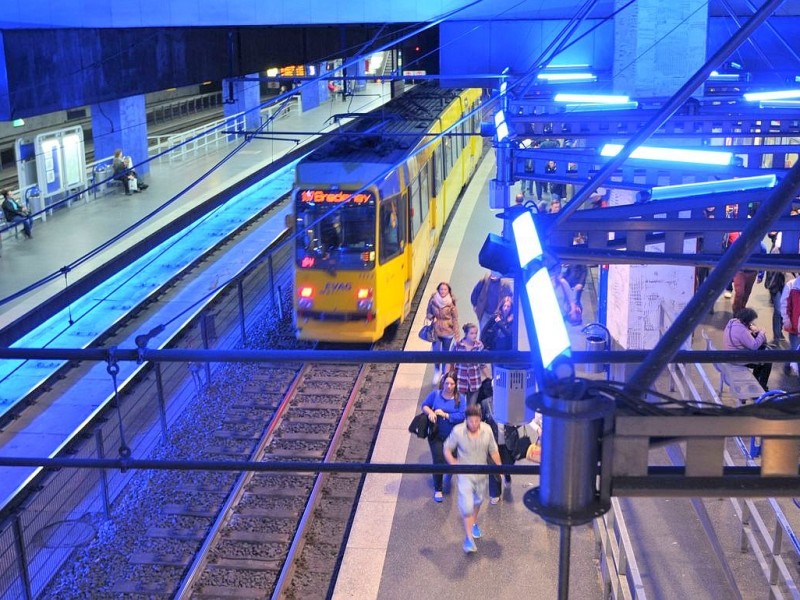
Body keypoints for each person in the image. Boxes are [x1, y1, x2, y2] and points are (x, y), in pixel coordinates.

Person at [443, 404, 501, 554]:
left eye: (476, 421)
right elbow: (447, 448)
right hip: (465, 475)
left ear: (480, 419)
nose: (474, 424)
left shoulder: (487, 430)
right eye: (471, 421)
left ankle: (473, 523)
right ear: (466, 419)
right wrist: (453, 463)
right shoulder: (458, 432)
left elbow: (493, 450)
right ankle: (469, 539)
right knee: (467, 506)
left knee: (478, 501)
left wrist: (500, 468)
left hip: (482, 474)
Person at [421, 372, 465, 503]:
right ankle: (438, 489)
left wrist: (446, 415)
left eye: (452, 384)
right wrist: (430, 412)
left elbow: (462, 416)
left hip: (454, 437)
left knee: (452, 461)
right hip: (436, 435)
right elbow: (424, 405)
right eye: (447, 383)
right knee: (438, 460)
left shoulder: (460, 398)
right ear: (443, 383)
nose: (449, 386)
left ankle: (448, 475)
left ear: (456, 385)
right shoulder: (435, 394)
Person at [723, 308, 772, 391]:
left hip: (731, 355)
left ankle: (755, 385)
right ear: (747, 320)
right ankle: (761, 388)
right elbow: (754, 346)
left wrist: (750, 328)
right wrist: (761, 333)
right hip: (738, 359)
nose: (751, 323)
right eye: (751, 321)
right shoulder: (741, 330)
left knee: (760, 361)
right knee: (767, 362)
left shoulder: (732, 322)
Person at [426, 282, 459, 384]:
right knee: (436, 352)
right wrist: (430, 316)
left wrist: (457, 334)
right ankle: (437, 371)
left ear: (448, 291)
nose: (443, 291)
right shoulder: (433, 300)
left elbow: (455, 319)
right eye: (441, 289)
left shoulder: (451, 303)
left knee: (445, 353)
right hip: (436, 330)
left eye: (445, 289)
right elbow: (428, 312)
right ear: (438, 290)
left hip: (448, 331)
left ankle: (445, 373)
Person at [453, 323, 487, 409]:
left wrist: (489, 378)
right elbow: (450, 362)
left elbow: (483, 364)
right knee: (460, 408)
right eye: (472, 333)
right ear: (466, 334)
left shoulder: (479, 346)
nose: (474, 335)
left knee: (471, 409)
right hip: (460, 382)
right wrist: (445, 376)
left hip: (474, 382)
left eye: (476, 333)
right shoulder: (457, 345)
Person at [780, 276, 800, 375]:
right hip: (794, 327)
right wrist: (786, 319)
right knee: (795, 349)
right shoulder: (791, 285)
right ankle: (788, 365)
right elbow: (784, 304)